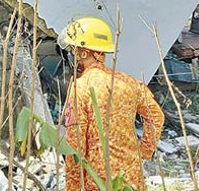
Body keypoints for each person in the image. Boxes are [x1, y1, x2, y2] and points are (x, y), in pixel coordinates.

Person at [58, 17, 164, 191]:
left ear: (84, 53)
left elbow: (75, 145)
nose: (71, 55)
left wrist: (73, 187)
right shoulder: (129, 81)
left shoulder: (81, 87)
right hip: (132, 178)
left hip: (100, 180)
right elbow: (156, 116)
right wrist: (144, 151)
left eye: (72, 50)